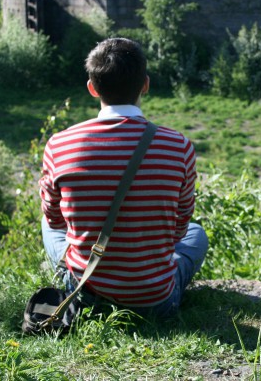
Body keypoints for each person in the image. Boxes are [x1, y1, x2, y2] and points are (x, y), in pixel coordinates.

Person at [39, 37, 208, 318]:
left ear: (92, 88)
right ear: (145, 85)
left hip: (86, 293)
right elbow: (179, 231)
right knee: (196, 233)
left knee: (48, 225)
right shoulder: (179, 146)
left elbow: (56, 220)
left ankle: (75, 275)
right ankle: (149, 279)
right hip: (156, 301)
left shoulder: (60, 145)